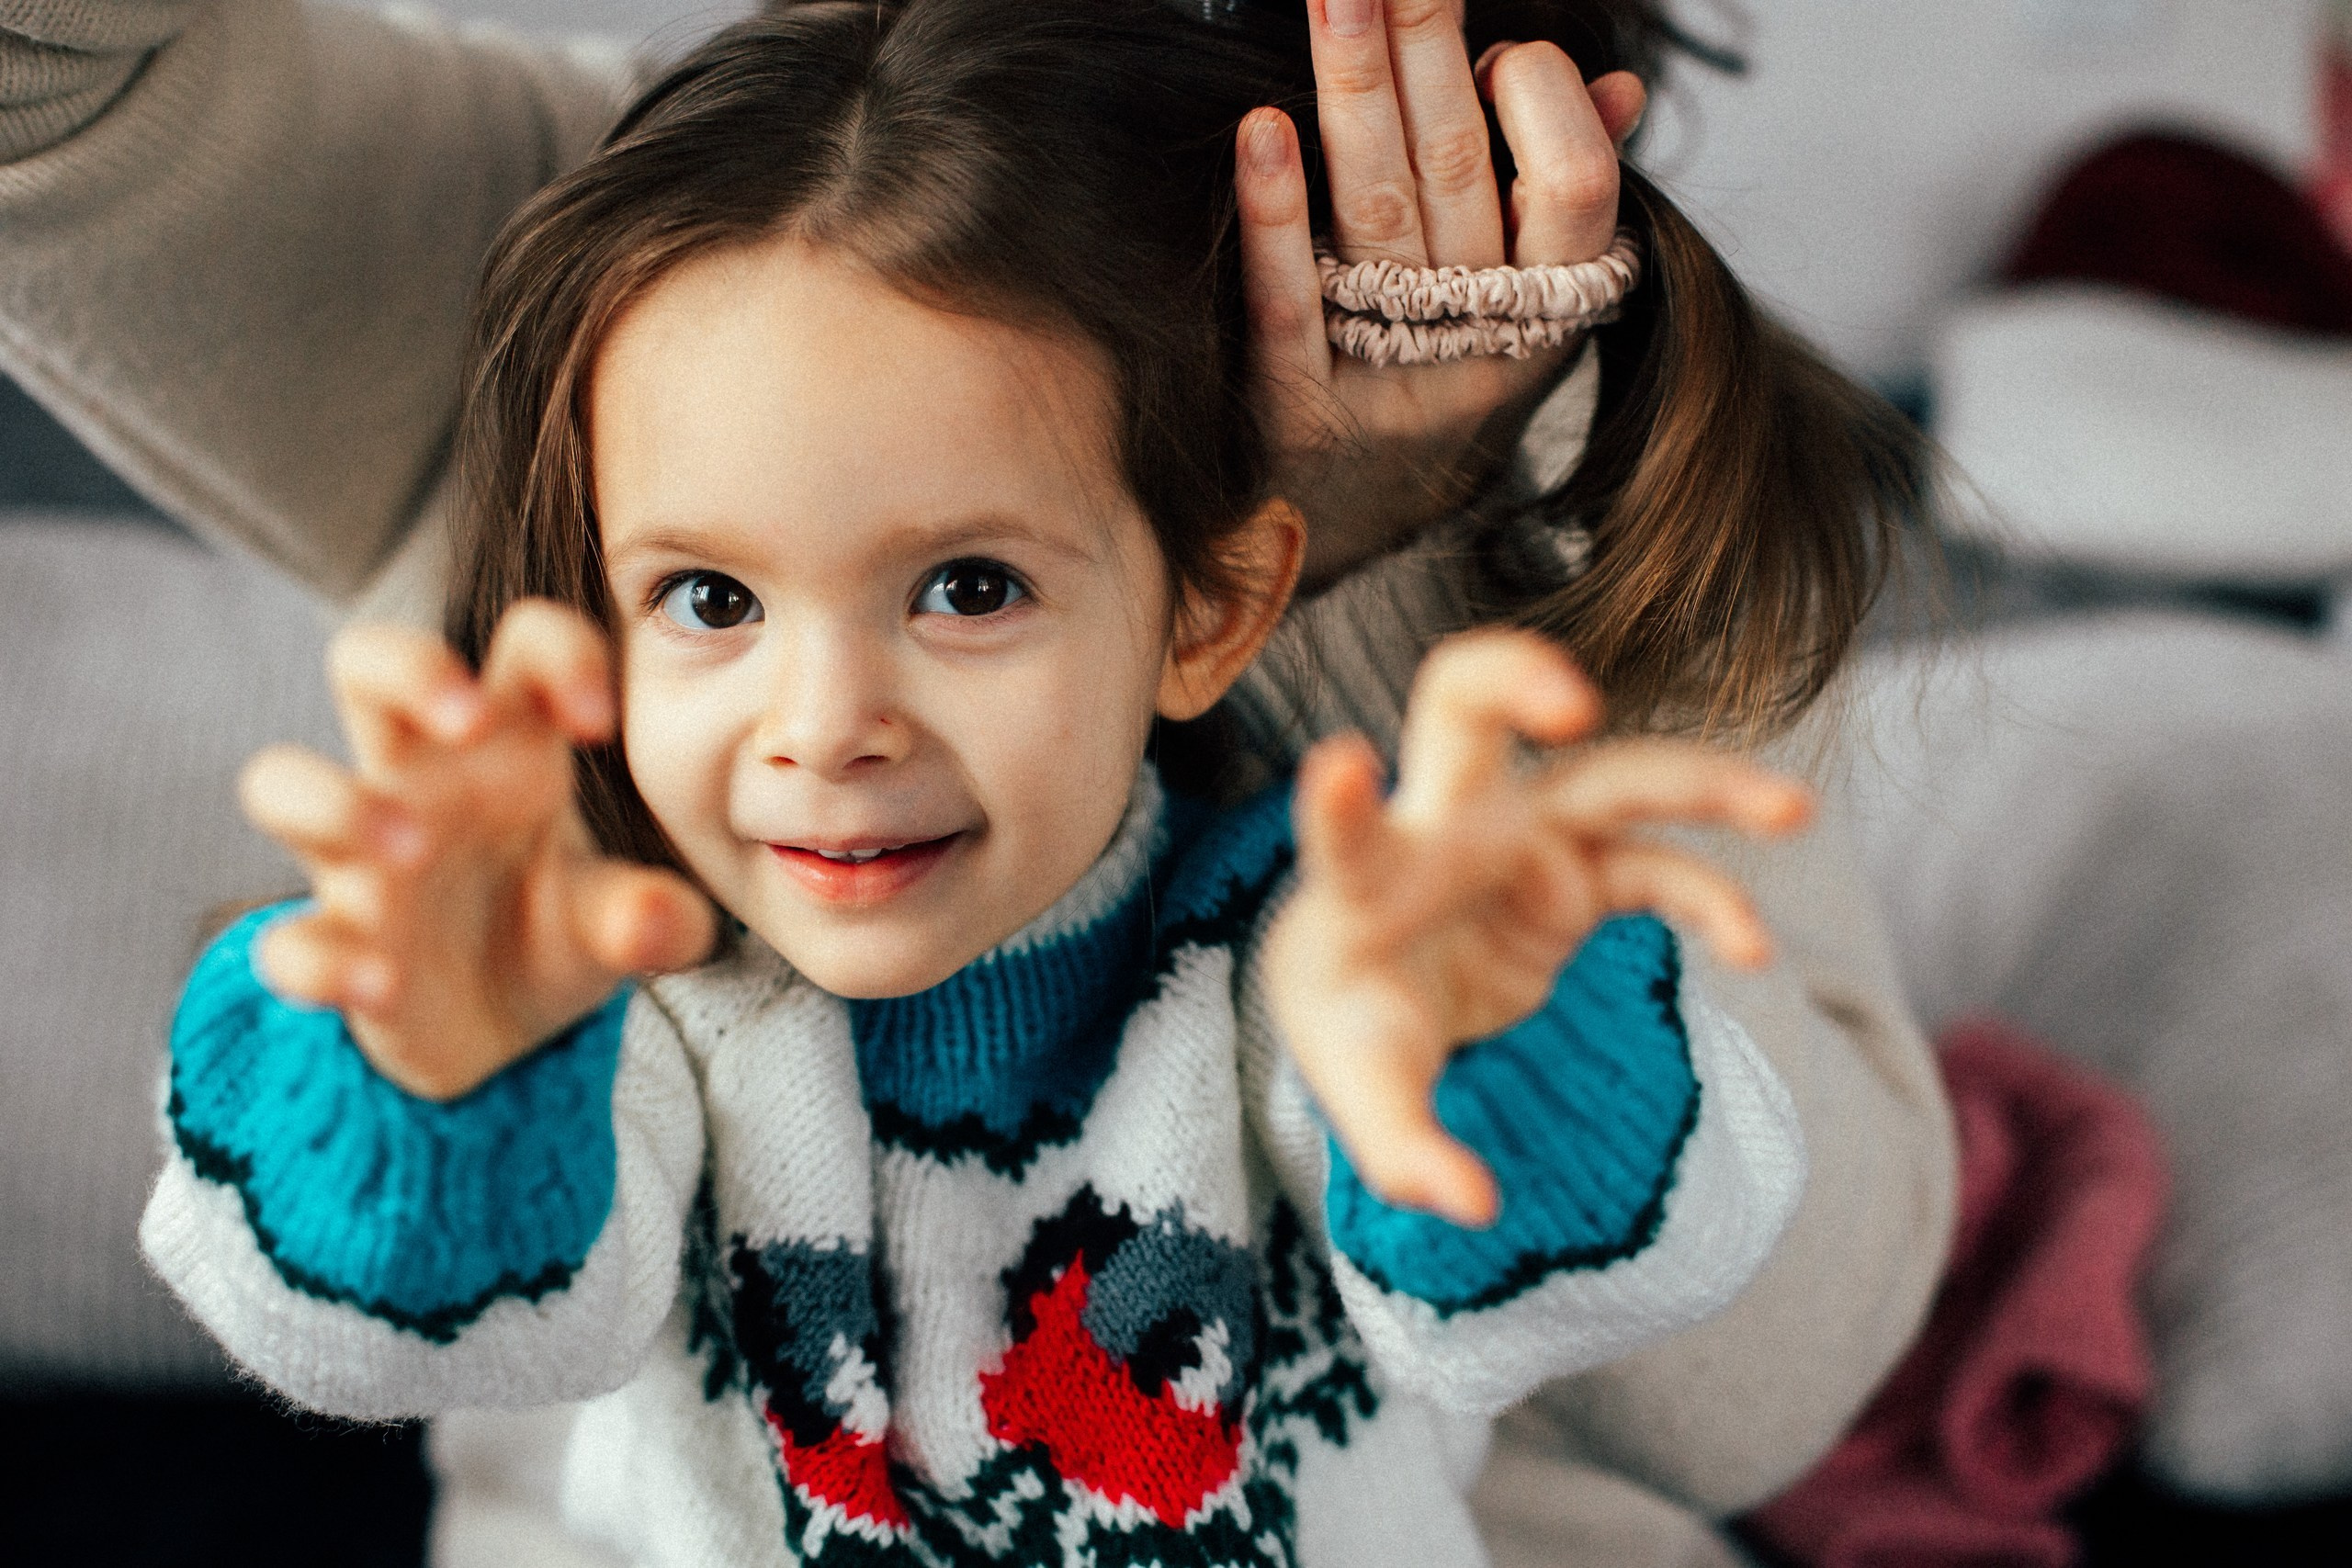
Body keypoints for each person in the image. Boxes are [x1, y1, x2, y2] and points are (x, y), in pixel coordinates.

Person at [4, 1, 1955, 1562]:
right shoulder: (646, 948)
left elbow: (1702, 1334)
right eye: (705, 595)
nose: (825, 718)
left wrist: (1410, 581)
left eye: (968, 585)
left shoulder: (1306, 912)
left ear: (1218, 596)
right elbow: (453, 1288)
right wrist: (429, 1080)